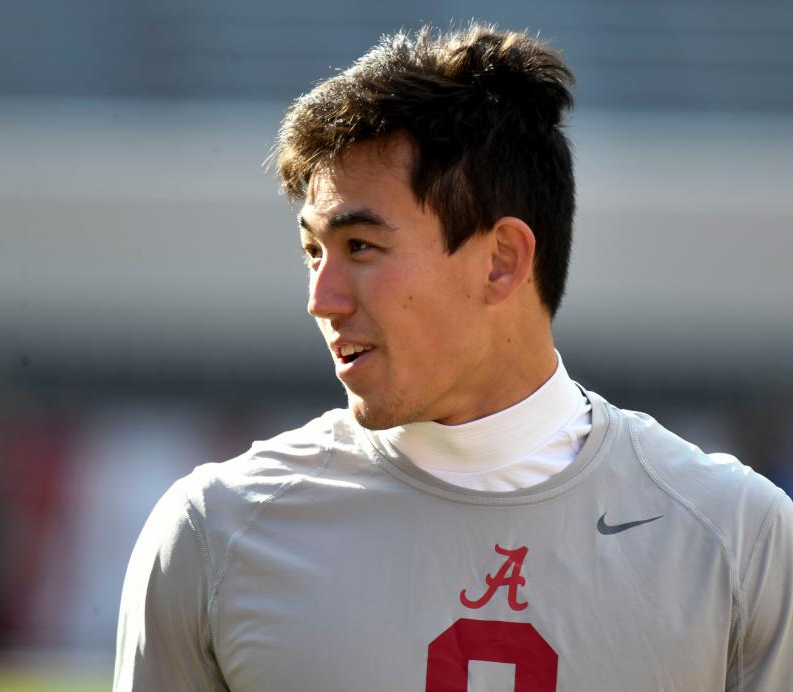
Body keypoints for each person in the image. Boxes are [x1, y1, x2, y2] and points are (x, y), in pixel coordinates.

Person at [114, 24, 793, 691]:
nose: (321, 300)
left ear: (502, 263)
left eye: (360, 248)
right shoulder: (213, 537)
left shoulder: (737, 542)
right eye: (312, 252)